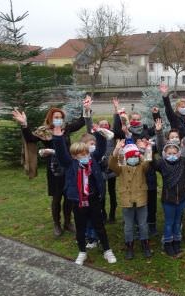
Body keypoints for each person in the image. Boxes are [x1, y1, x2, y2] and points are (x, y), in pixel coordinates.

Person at [12, 103, 89, 237]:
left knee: (69, 197)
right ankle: (57, 224)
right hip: (54, 169)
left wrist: (86, 108)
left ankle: (68, 222)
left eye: (60, 117)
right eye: (55, 117)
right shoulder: (45, 131)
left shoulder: (66, 129)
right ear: (50, 119)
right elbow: (30, 138)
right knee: (57, 197)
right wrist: (24, 124)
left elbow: (81, 121)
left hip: (69, 168)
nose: (58, 119)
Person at [51, 125, 116, 266]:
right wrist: (57, 137)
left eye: (86, 153)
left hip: (93, 199)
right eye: (81, 154)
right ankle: (82, 251)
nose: (86, 156)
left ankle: (107, 250)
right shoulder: (70, 164)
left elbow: (100, 149)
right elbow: (61, 153)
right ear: (74, 156)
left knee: (99, 226)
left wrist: (99, 134)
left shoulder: (93, 160)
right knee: (80, 228)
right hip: (78, 201)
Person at [153, 131, 185, 258]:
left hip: (181, 199)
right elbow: (151, 162)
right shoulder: (162, 165)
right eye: (169, 154)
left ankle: (176, 242)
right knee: (169, 223)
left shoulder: (183, 162)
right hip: (168, 200)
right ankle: (168, 244)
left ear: (179, 153)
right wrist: (147, 148)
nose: (172, 155)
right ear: (164, 154)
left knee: (177, 223)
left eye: (174, 153)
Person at [109, 140, 153, 259]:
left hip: (141, 199)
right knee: (128, 225)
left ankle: (145, 244)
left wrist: (142, 153)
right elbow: (112, 165)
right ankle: (129, 246)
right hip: (127, 200)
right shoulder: (121, 168)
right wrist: (117, 150)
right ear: (126, 157)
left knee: (143, 224)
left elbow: (148, 162)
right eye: (130, 156)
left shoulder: (141, 166)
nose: (133, 158)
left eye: (135, 156)